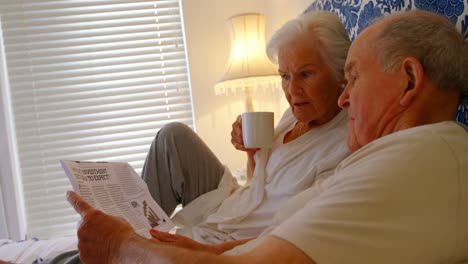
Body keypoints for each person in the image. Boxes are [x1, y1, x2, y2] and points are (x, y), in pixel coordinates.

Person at [67, 9, 468, 263]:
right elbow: (273, 237)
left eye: (354, 77)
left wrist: (121, 247)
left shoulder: (413, 158)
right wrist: (187, 247)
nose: (346, 98)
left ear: (409, 80)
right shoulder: (389, 153)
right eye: (285, 76)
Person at [139, 10, 350, 249]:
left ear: (340, 72)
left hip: (236, 239)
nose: (292, 90)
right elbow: (259, 180)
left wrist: (209, 252)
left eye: (305, 74)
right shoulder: (293, 115)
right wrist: (252, 153)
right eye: (285, 76)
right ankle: (127, 233)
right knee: (172, 137)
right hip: (232, 205)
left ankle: (124, 242)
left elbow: (296, 235)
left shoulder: (344, 145)